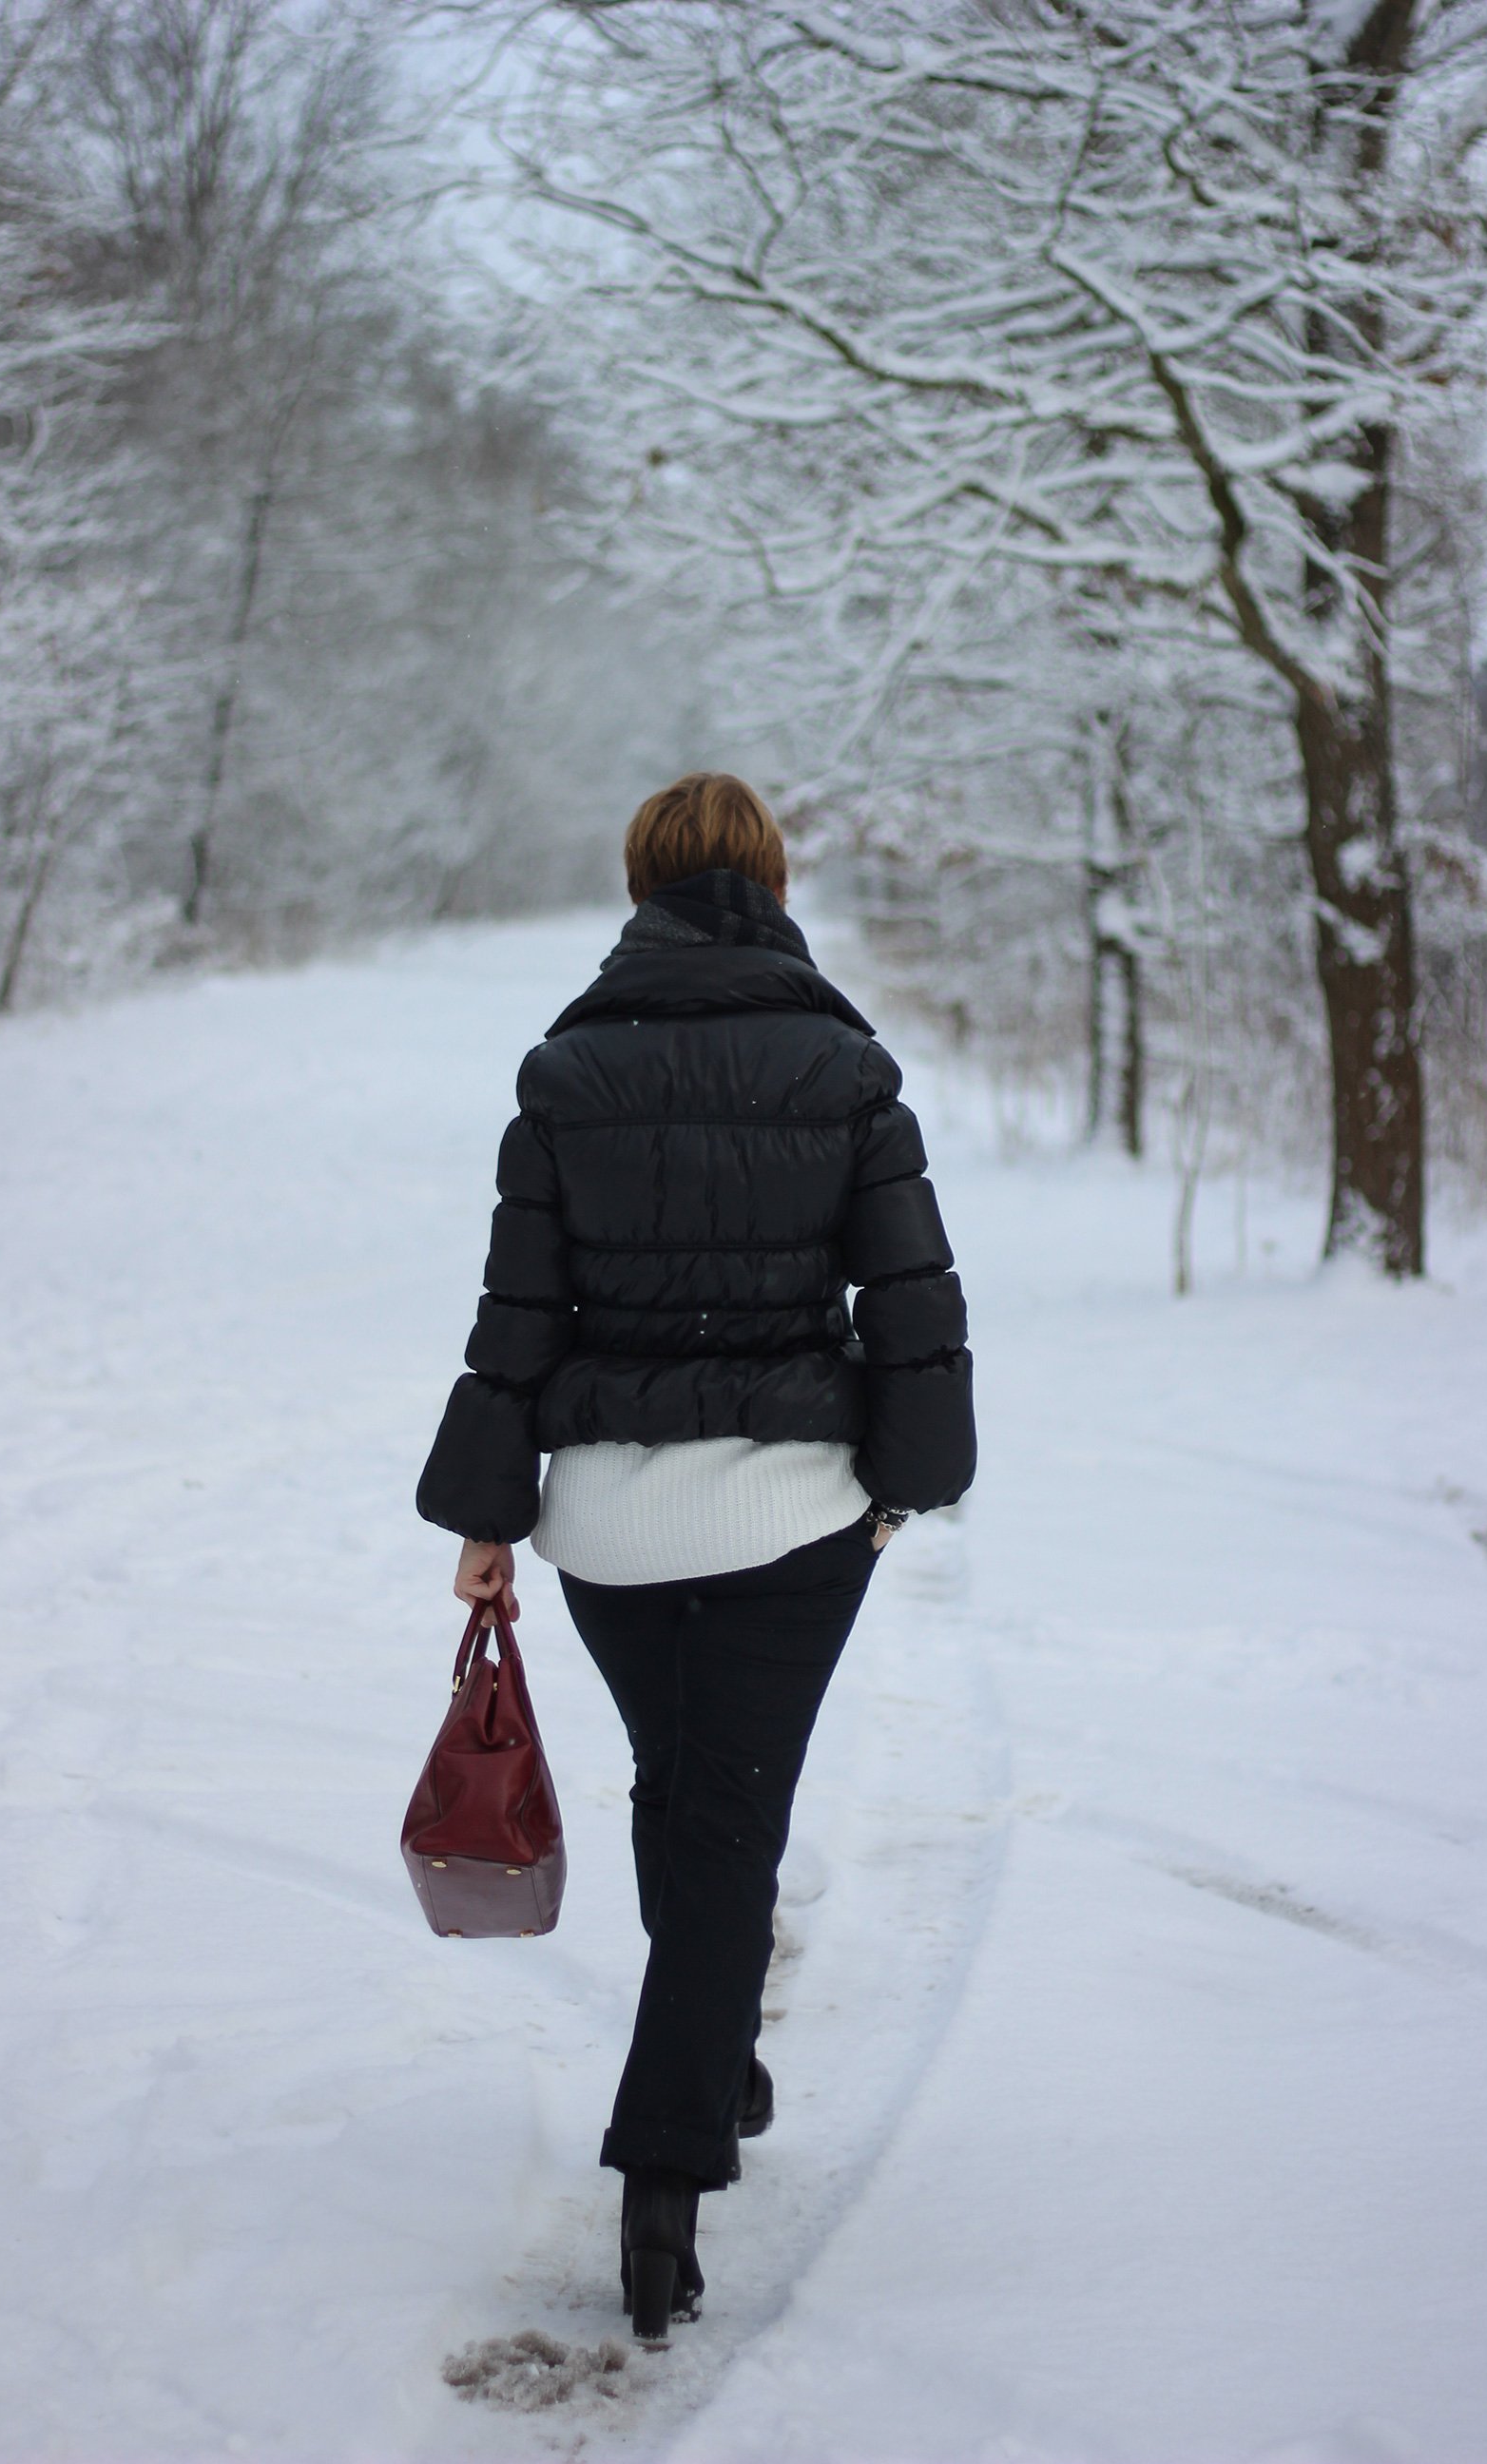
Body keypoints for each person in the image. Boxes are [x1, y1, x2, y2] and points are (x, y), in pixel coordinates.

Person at [416, 774, 975, 2340]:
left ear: (642, 883)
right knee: (726, 1813)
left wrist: (487, 1516)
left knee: (690, 1791)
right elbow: (912, 1298)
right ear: (773, 883)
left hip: (608, 1520)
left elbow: (518, 1317)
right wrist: (909, 1482)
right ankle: (667, 2175)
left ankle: (716, 2057)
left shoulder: (568, 1068)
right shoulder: (847, 1068)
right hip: (795, 1515)